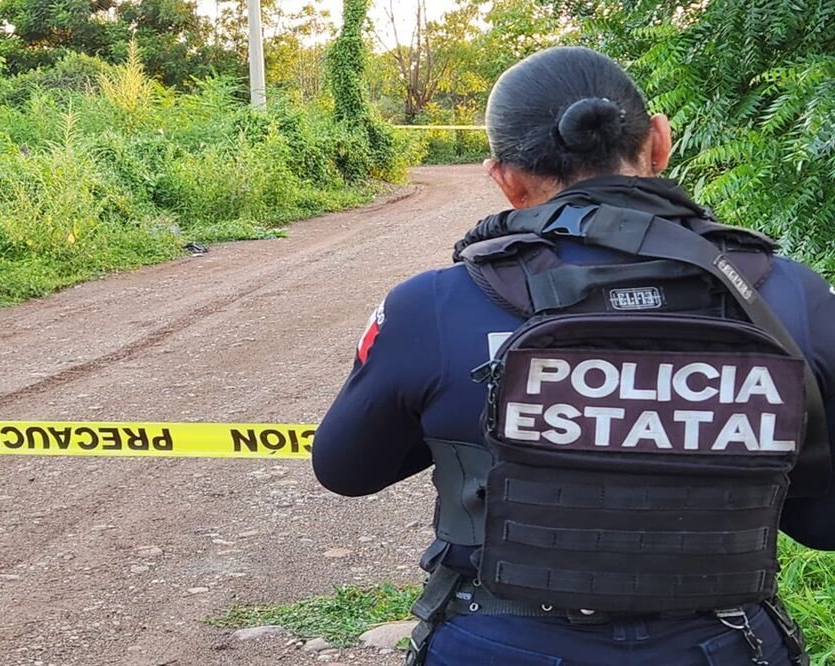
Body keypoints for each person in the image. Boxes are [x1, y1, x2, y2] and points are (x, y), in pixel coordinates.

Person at [312, 46, 835, 666]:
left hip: (499, 643)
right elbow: (822, 522)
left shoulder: (433, 303)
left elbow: (346, 468)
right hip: (720, 642)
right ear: (660, 142)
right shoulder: (790, 295)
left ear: (504, 177)